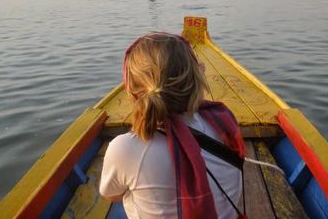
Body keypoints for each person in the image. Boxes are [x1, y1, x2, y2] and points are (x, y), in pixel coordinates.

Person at [99, 32, 245, 219]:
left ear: (132, 91)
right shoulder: (222, 121)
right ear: (197, 78)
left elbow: (111, 195)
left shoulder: (124, 148)